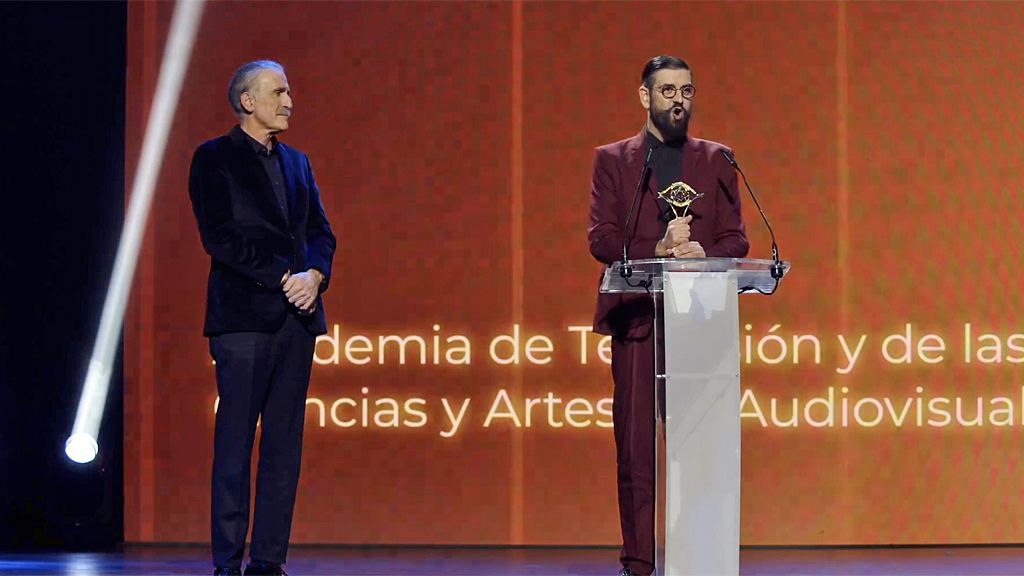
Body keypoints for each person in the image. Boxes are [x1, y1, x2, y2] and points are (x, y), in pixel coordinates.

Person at [587, 55, 749, 576]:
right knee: (636, 449)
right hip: (638, 319)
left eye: (687, 91)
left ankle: (698, 557)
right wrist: (655, 247)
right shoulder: (614, 161)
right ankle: (638, 563)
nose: (679, 101)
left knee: (698, 446)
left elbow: (736, 239)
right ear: (645, 97)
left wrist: (705, 252)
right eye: (668, 91)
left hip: (699, 320)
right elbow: (601, 239)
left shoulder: (717, 159)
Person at [189, 60, 336, 576]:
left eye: (289, 92)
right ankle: (228, 562)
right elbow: (220, 237)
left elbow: (321, 232)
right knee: (235, 443)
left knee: (283, 447)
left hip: (297, 321)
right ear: (247, 101)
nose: (289, 101)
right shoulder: (214, 157)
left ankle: (269, 560)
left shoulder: (298, 162)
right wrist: (283, 276)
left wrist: (315, 275)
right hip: (244, 321)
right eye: (279, 92)